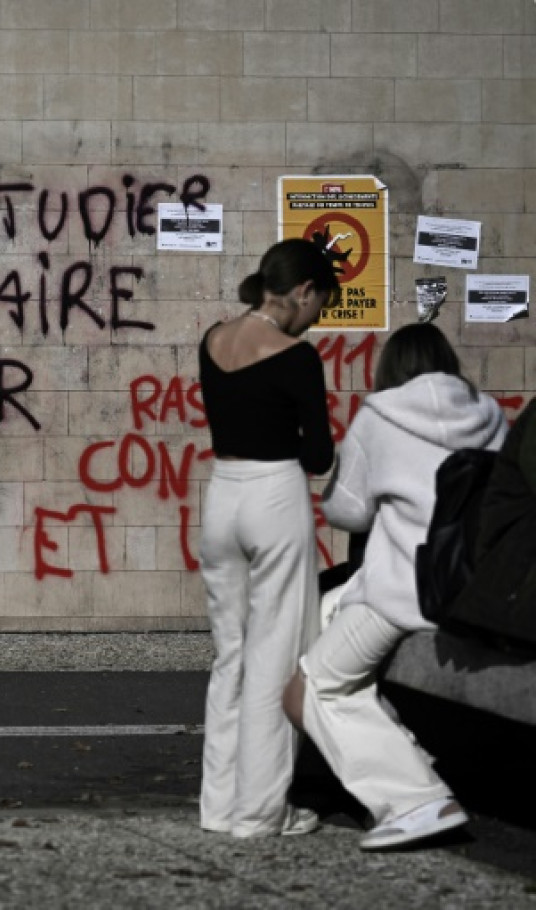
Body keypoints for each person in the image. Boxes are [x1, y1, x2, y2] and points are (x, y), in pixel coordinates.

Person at [283, 323, 506, 850]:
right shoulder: (490, 413)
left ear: (392, 367)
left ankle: (416, 800)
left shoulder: (380, 416)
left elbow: (347, 512)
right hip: (467, 589)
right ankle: (410, 760)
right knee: (320, 619)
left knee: (310, 686)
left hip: (401, 592)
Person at [197, 238, 339, 838]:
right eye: (321, 306)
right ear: (303, 291)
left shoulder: (213, 339)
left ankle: (219, 806)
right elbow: (317, 453)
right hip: (274, 496)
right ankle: (259, 812)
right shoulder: (297, 357)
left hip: (220, 497)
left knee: (230, 653)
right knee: (275, 655)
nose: (317, 320)